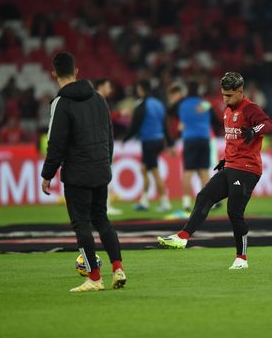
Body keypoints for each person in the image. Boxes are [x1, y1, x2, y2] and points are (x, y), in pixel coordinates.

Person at [158, 72, 272, 269]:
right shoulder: (227, 111)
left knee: (234, 212)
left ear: (240, 91)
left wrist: (254, 130)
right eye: (223, 95)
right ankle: (183, 237)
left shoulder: (251, 108)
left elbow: (269, 125)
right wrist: (225, 159)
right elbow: (233, 139)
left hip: (247, 168)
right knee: (204, 196)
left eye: (229, 95)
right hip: (231, 165)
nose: (225, 99)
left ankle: (241, 259)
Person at [41, 52, 126, 292]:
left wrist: (47, 174)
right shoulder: (99, 98)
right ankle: (118, 269)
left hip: (77, 173)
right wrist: (105, 162)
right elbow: (109, 135)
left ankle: (95, 278)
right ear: (76, 71)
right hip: (100, 169)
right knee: (102, 219)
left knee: (82, 224)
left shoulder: (61, 103)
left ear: (54, 73)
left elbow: (55, 143)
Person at [166, 81, 222, 214]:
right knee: (204, 172)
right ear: (199, 91)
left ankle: (186, 203)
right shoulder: (204, 103)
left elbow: (169, 111)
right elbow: (217, 122)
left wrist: (182, 120)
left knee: (188, 172)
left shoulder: (181, 103)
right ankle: (210, 203)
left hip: (189, 140)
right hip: (204, 139)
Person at [123, 80, 173, 212]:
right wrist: (170, 143)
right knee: (144, 169)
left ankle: (165, 202)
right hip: (159, 140)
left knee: (155, 172)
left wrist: (125, 138)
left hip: (149, 141)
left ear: (141, 90)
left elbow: (135, 125)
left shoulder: (142, 105)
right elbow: (165, 125)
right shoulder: (159, 104)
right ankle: (144, 201)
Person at [94, 78, 122, 216]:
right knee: (104, 175)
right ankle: (105, 206)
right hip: (101, 144)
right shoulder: (98, 100)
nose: (110, 89)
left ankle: (103, 205)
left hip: (99, 143)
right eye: (108, 86)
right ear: (100, 86)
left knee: (102, 176)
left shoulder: (95, 100)